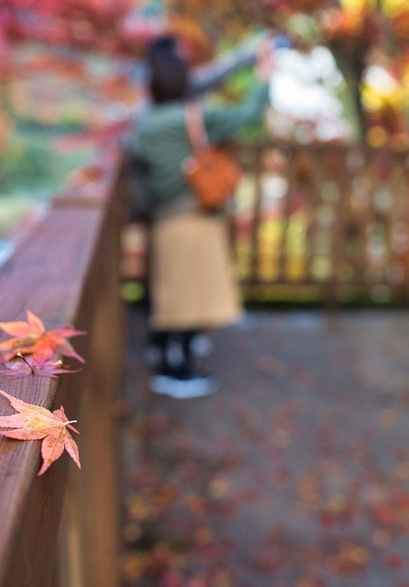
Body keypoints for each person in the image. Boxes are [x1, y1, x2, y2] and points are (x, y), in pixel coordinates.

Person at [129, 36, 274, 399]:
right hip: (193, 217)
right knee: (190, 299)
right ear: (183, 82)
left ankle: (169, 361)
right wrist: (264, 77)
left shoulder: (142, 126)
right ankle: (173, 373)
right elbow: (248, 114)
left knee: (171, 296)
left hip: (163, 219)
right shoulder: (192, 118)